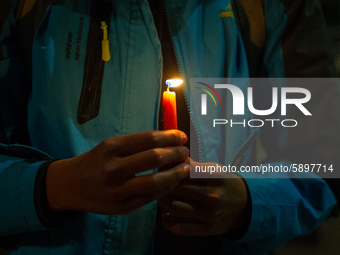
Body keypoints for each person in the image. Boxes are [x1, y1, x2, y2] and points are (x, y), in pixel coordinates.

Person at [0, 0, 338, 255]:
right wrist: (56, 187)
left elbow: (324, 158)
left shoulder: (267, 7)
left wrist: (249, 204)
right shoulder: (28, 8)